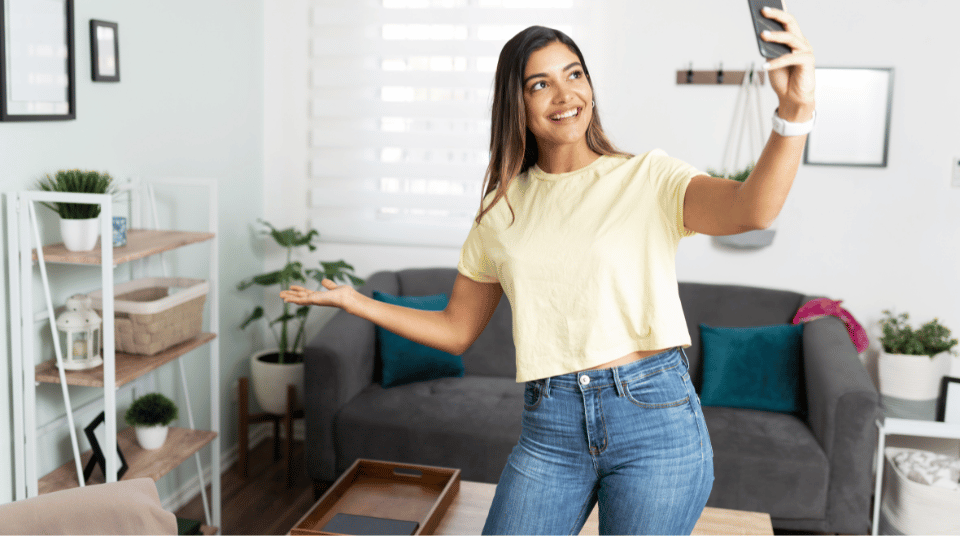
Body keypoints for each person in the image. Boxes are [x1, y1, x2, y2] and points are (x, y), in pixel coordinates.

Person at [281, 6, 815, 535]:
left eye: (574, 75)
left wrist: (794, 112)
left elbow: (755, 209)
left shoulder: (647, 178)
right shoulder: (501, 210)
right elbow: (456, 330)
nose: (565, 96)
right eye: (541, 84)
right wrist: (359, 303)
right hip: (550, 425)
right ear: (517, 103)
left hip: (653, 417)